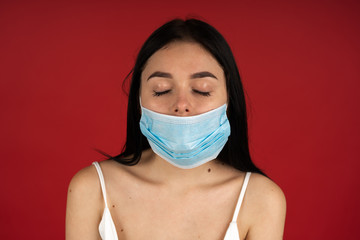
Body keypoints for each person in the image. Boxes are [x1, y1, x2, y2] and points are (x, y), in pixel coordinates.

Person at [66, 18, 286, 240]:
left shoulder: (261, 199)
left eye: (202, 90)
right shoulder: (91, 188)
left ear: (229, 98)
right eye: (161, 90)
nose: (182, 105)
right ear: (139, 100)